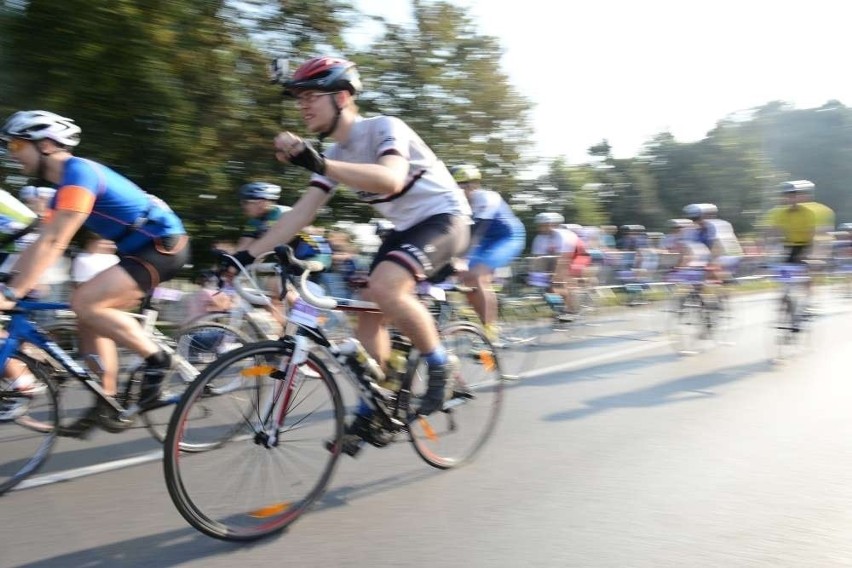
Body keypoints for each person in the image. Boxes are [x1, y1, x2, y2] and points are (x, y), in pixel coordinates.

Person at [232, 56, 472, 453]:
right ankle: (377, 402)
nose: (302, 106)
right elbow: (302, 212)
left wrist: (319, 160)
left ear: (342, 96)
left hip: (445, 218)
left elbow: (391, 177)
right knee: (364, 309)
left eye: (311, 96)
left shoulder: (383, 128)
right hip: (404, 230)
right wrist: (245, 257)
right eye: (298, 99)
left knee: (386, 287)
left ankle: (441, 363)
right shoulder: (337, 153)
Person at [0, 110, 190, 423]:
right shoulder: (65, 187)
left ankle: (158, 359)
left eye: (17, 147)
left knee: (85, 301)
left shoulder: (79, 173)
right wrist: (8, 279)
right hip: (136, 250)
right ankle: (107, 401)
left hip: (163, 245)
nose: (12, 155)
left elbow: (55, 242)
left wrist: (13, 291)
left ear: (46, 144)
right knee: (85, 317)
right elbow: (41, 241)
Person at [449, 164, 525, 343]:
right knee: (464, 277)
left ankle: (490, 330)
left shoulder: (487, 197)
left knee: (476, 275)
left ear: (472, 186)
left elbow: (475, 233)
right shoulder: (454, 203)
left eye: (459, 186)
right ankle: (481, 320)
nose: (455, 191)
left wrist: (460, 258)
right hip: (484, 241)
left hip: (508, 237)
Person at [528, 212, 590, 318]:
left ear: (552, 224)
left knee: (562, 281)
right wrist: (532, 274)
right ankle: (560, 306)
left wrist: (556, 277)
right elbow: (538, 258)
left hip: (576, 255)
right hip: (556, 257)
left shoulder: (563, 235)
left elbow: (564, 260)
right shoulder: (540, 238)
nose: (541, 228)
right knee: (548, 283)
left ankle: (571, 310)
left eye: (544, 225)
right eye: (540, 225)